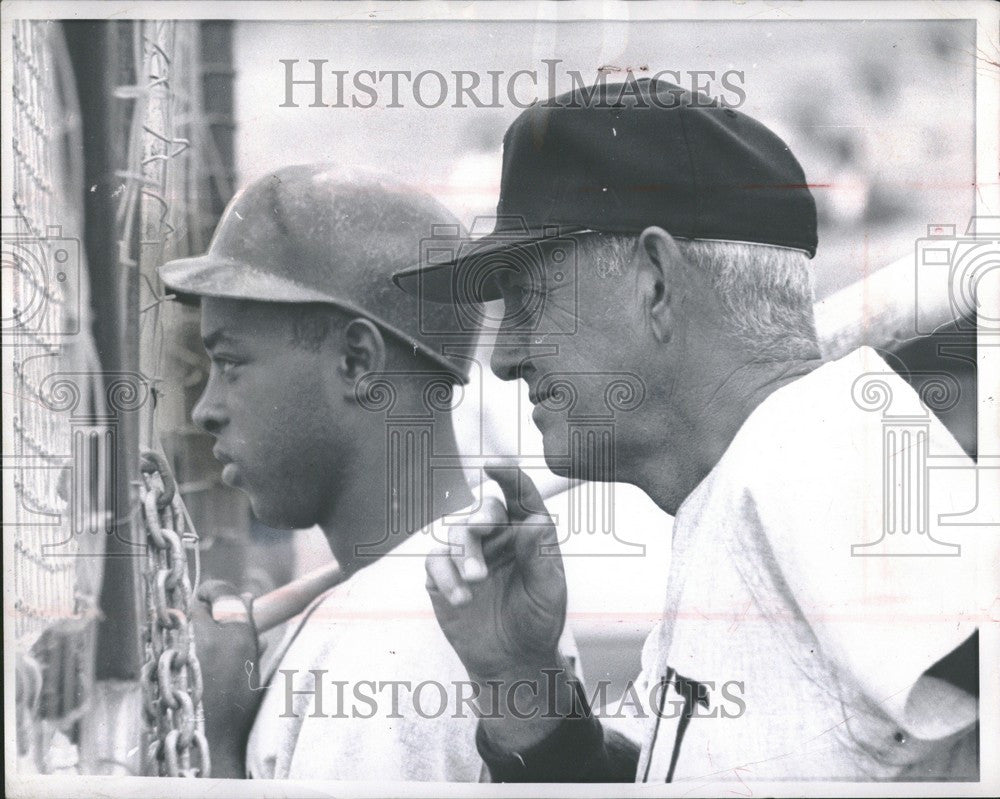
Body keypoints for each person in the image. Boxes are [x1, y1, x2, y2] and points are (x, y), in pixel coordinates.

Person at [398, 78, 987, 783]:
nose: (504, 356)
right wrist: (526, 687)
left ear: (654, 282)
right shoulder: (743, 487)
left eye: (528, 299)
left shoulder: (813, 452)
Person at [158, 164, 500, 780]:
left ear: (355, 360)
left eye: (230, 364)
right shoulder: (428, 593)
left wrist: (218, 743)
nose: (207, 410)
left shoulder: (393, 649)